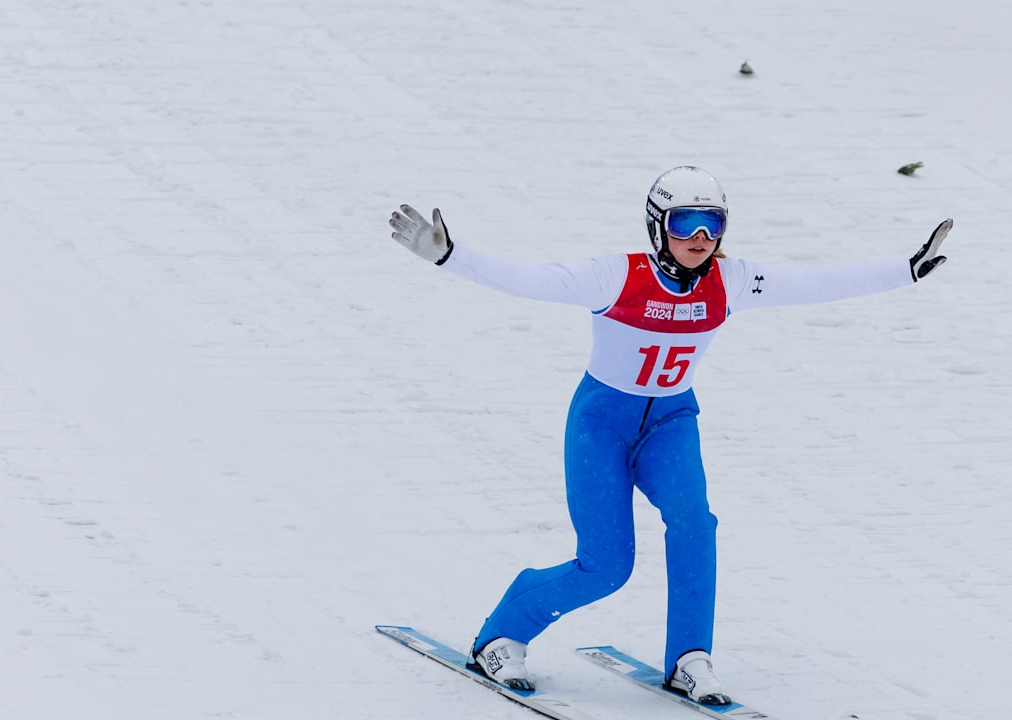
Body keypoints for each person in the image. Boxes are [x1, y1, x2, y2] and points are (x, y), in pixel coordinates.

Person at [388, 166, 951, 705]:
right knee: (606, 567)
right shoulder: (614, 275)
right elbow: (533, 280)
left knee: (695, 522)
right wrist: (449, 255)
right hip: (601, 424)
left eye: (714, 223)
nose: (701, 237)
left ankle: (689, 658)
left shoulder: (729, 281)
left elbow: (811, 283)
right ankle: (502, 636)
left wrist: (905, 269)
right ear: (658, 225)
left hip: (670, 423)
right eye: (685, 222)